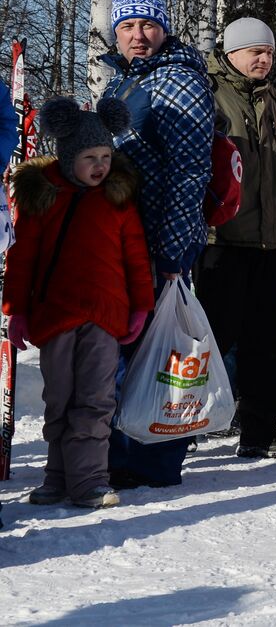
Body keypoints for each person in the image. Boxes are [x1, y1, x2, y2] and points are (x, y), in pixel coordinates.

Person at [3, 98, 153, 509]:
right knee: (59, 399)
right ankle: (57, 477)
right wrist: (16, 309)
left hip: (105, 317)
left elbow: (136, 257)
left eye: (105, 155)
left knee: (96, 400)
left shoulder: (117, 198)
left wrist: (141, 305)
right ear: (69, 157)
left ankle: (90, 481)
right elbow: (22, 257)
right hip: (55, 316)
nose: (101, 166)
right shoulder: (44, 197)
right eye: (90, 158)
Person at [100, 0, 215, 488]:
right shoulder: (121, 82)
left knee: (157, 352)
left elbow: (190, 173)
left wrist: (172, 251)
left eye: (147, 24)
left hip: (158, 240)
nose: (138, 35)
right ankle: (126, 452)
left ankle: (150, 461)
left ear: (164, 28)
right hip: (123, 238)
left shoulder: (180, 81)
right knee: (129, 349)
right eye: (127, 26)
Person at [197, 17, 276, 459]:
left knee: (264, 343)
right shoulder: (207, 93)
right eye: (255, 51)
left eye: (270, 52)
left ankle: (260, 432)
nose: (264, 59)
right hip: (221, 240)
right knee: (210, 340)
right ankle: (179, 426)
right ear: (232, 53)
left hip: (270, 241)